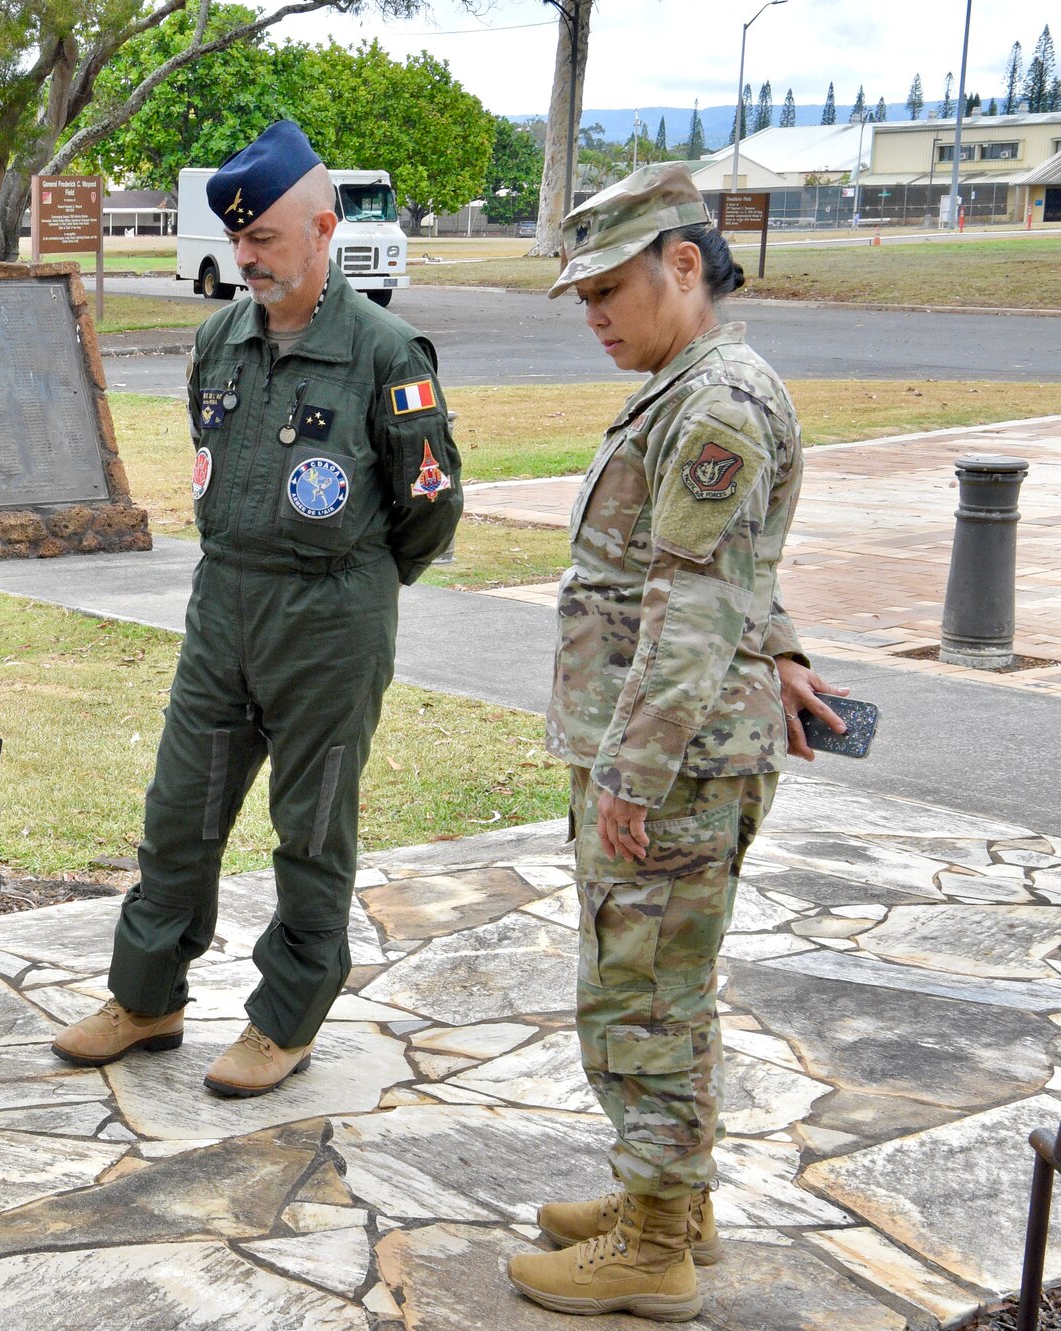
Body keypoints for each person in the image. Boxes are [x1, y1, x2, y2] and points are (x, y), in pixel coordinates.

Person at [50, 121, 462, 1097]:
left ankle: (284, 1018)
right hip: (222, 604)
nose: (243, 256)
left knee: (310, 829)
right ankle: (146, 995)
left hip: (328, 616)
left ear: (322, 230)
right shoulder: (217, 340)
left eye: (264, 237)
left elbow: (429, 508)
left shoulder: (382, 352)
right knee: (176, 813)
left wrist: (350, 583)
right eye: (234, 238)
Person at [506, 162, 850, 1320]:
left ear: (682, 263)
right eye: (583, 297)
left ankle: (651, 1245)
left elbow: (694, 602)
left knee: (639, 997)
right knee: (662, 986)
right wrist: (789, 647)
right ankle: (666, 1194)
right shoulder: (699, 385)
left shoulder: (712, 403)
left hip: (674, 761)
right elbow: (737, 565)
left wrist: (631, 772)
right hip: (679, 745)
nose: (594, 316)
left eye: (607, 289)